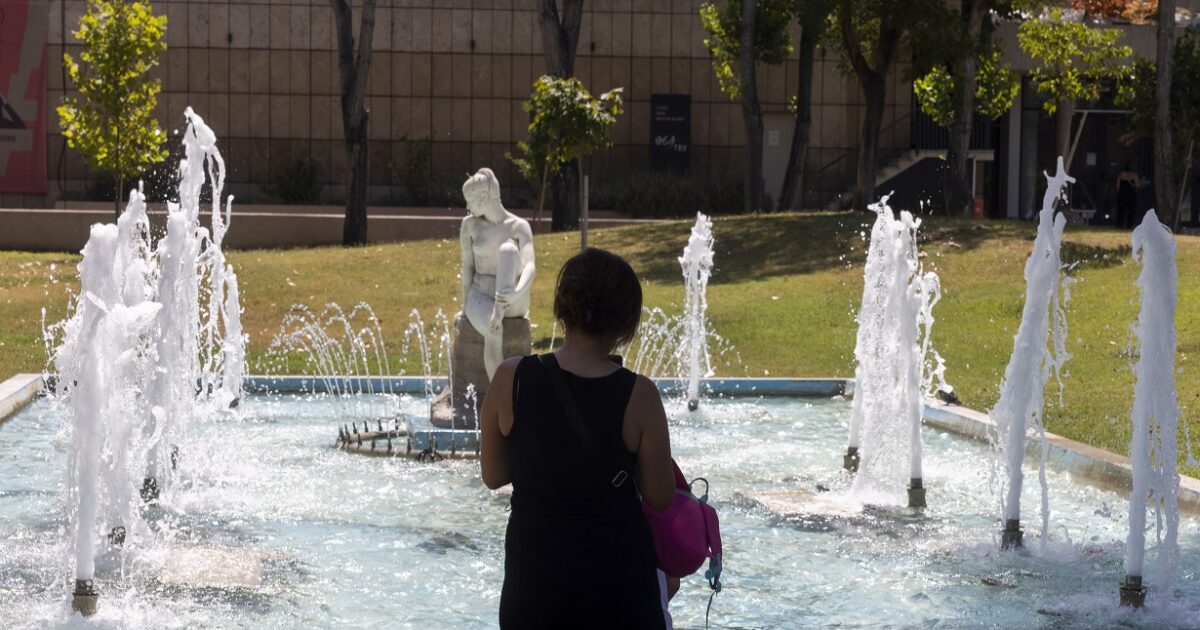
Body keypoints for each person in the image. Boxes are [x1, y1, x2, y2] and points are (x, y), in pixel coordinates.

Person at [480, 248, 676, 629]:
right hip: (618, 589)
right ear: (626, 320)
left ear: (563, 307)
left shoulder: (511, 379)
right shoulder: (640, 395)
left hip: (535, 588)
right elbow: (660, 495)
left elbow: (493, 475)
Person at [460, 168, 536, 380]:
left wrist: (516, 293)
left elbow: (530, 265)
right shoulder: (469, 226)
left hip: (513, 297)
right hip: (481, 293)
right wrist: (465, 307)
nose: (467, 207)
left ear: (484, 197)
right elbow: (467, 267)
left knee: (508, 249)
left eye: (470, 201)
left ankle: (500, 308)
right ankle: (503, 393)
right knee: (493, 331)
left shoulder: (519, 226)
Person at [1116, 161, 1140, 229]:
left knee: (1121, 210)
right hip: (1131, 194)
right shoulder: (1134, 175)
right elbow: (1137, 184)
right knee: (1131, 211)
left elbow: (1117, 186)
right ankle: (1129, 225)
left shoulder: (1121, 174)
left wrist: (1119, 193)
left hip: (1122, 194)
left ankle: (1120, 225)